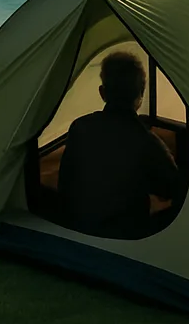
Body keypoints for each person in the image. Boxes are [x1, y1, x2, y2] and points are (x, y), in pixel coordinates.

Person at [56, 50, 180, 239]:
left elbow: (65, 182)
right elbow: (171, 189)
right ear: (141, 94)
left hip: (77, 229)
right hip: (125, 239)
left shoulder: (80, 128)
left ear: (102, 93)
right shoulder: (147, 142)